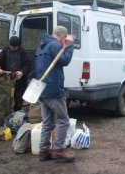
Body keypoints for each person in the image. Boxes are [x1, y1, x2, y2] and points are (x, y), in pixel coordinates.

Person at [35, 26, 75, 162]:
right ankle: (58, 149)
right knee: (63, 120)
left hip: (42, 88)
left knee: (47, 123)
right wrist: (69, 47)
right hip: (53, 89)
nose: (64, 40)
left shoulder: (41, 46)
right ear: (61, 36)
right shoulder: (54, 45)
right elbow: (64, 60)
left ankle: (43, 151)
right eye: (64, 38)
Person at [0, 36, 31, 111]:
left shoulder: (23, 52)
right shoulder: (5, 51)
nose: (13, 48)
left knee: (19, 99)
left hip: (20, 81)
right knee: (6, 98)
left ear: (18, 46)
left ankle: (17, 113)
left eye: (15, 47)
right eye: (12, 47)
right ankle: (6, 113)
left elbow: (28, 64)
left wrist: (22, 72)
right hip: (7, 80)